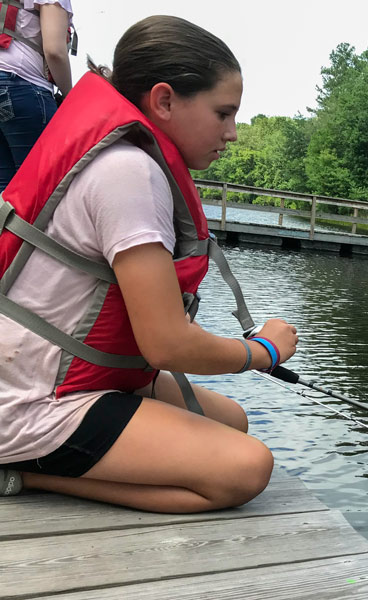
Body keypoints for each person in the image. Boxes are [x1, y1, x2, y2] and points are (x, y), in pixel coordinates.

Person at [0, 15, 299, 513]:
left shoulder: (130, 159)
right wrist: (263, 350)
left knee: (233, 423)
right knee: (244, 469)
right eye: (223, 113)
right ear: (164, 100)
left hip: (59, 375)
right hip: (32, 400)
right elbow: (165, 343)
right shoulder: (129, 173)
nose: (233, 133)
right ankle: (28, 475)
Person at [0, 0, 74, 191]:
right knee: (39, 189)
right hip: (22, 86)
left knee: (4, 190)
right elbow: (55, 51)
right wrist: (70, 96)